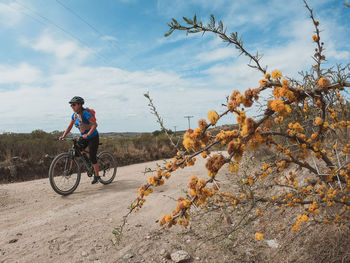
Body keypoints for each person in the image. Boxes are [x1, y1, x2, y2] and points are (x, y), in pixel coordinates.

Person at [59, 96, 101, 184]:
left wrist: (88, 134)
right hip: (84, 137)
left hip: (93, 137)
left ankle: (97, 176)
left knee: (93, 157)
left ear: (79, 105)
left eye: (74, 105)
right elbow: (70, 126)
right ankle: (89, 164)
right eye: (71, 105)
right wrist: (63, 135)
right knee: (77, 150)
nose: (72, 107)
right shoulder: (74, 115)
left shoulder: (85, 114)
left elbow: (94, 125)